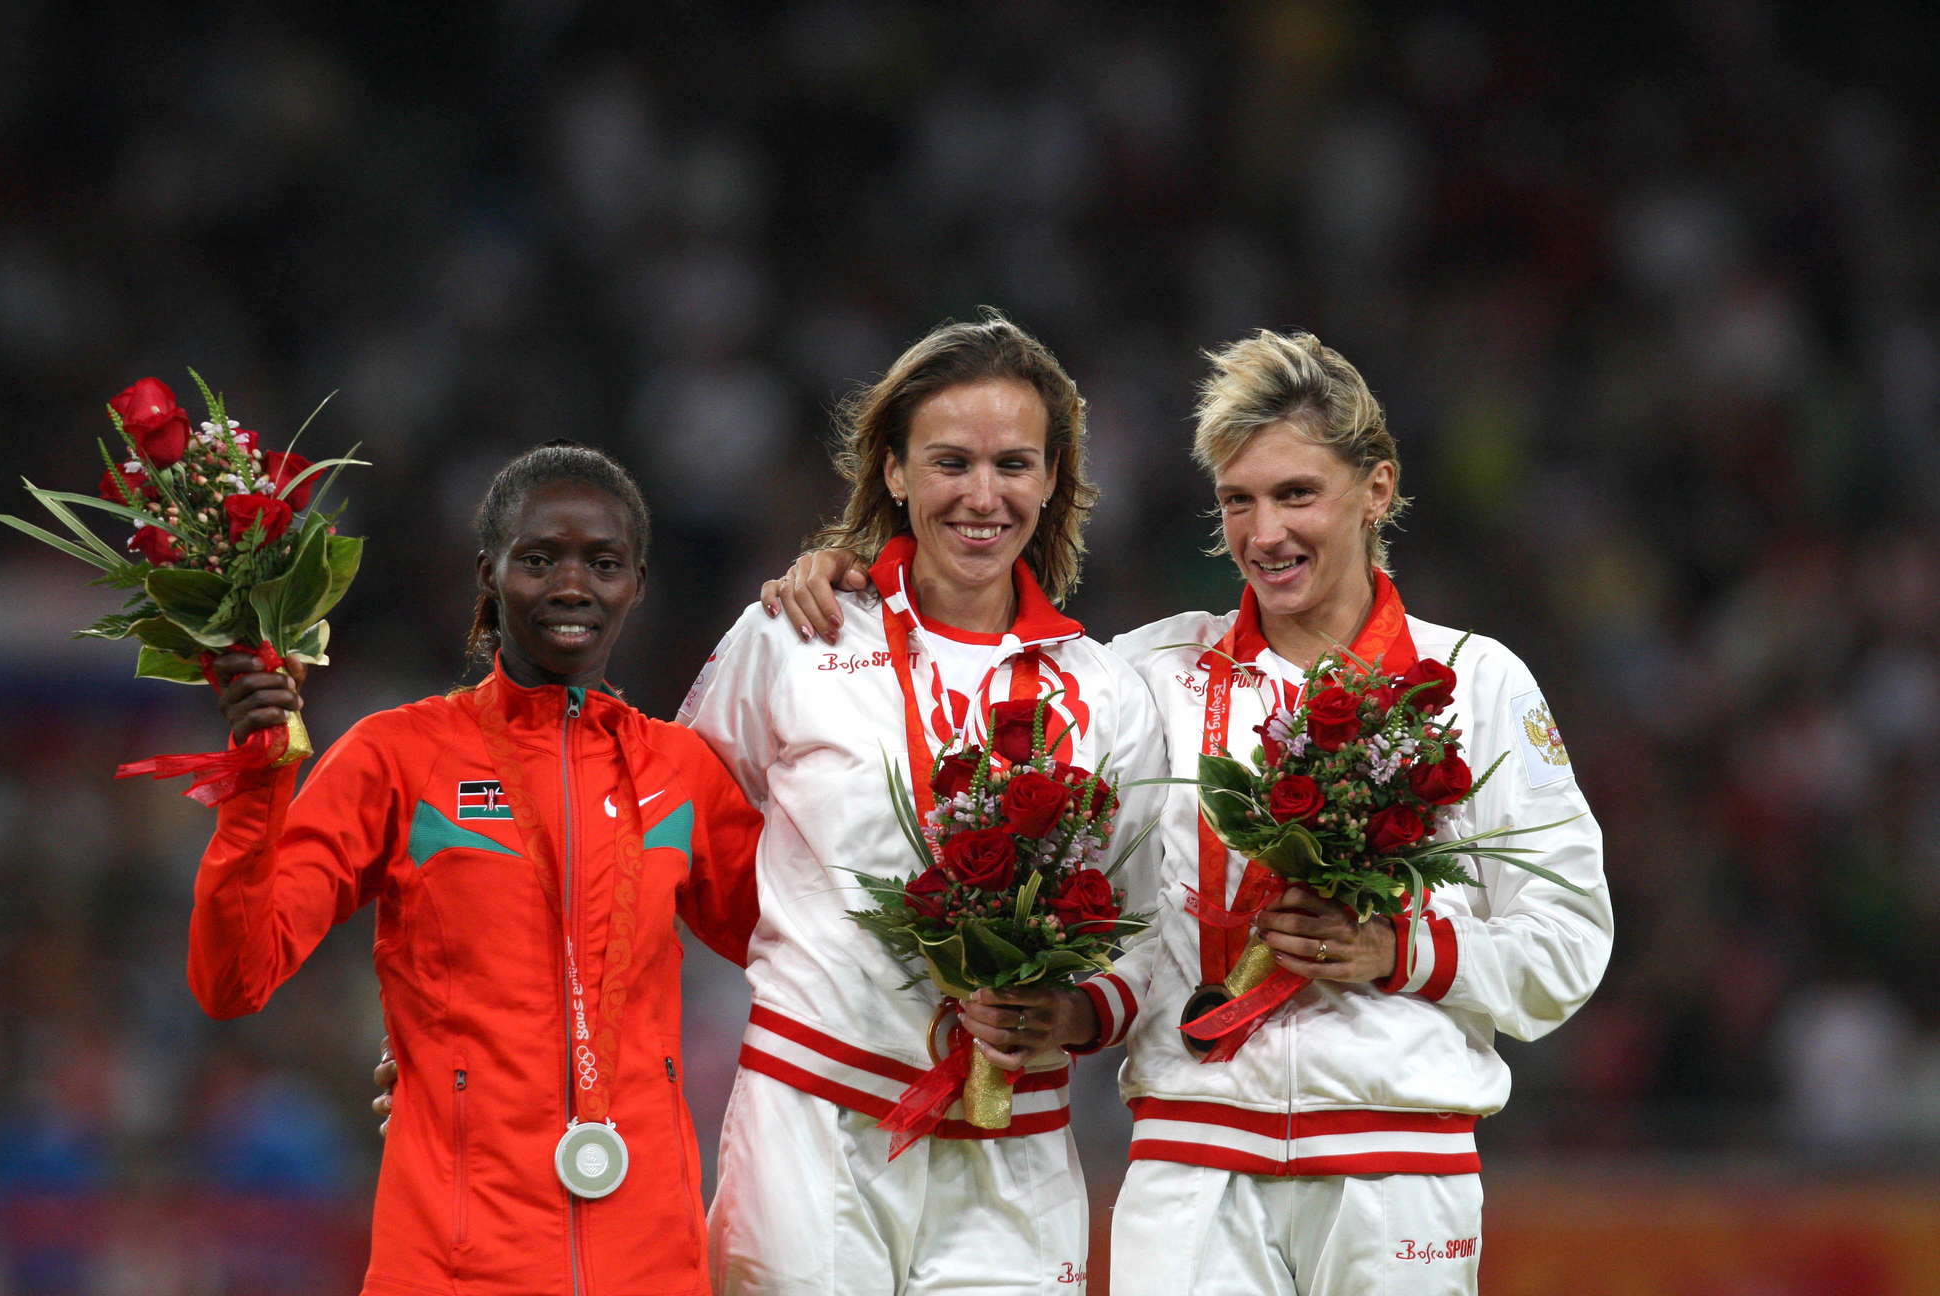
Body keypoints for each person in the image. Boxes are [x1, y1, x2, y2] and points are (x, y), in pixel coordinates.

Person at [764, 329, 1613, 1295]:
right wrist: (857, 579)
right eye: (1238, 500)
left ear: (1376, 489)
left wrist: (1400, 950)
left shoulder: (1474, 681)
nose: (1265, 534)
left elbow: (1568, 942)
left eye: (1297, 494)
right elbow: (983, 709)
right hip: (1189, 1170)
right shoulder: (1147, 675)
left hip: (1400, 1169)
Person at [195, 442, 763, 1296]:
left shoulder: (680, 773)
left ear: (637, 583)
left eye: (603, 563)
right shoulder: (399, 756)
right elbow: (234, 978)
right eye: (538, 559)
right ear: (488, 573)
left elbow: (813, 960)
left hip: (651, 1260)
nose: (571, 585)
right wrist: (256, 779)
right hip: (450, 1265)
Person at [683, 313, 1167, 1295]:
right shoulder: (794, 635)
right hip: (813, 1123)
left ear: (1052, 478)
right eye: (951, 462)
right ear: (895, 472)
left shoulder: (1107, 689)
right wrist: (807, 954)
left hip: (1014, 1141)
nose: (982, 496)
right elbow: (677, 834)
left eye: (1014, 464)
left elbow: (1150, 919)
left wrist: (1074, 1012)